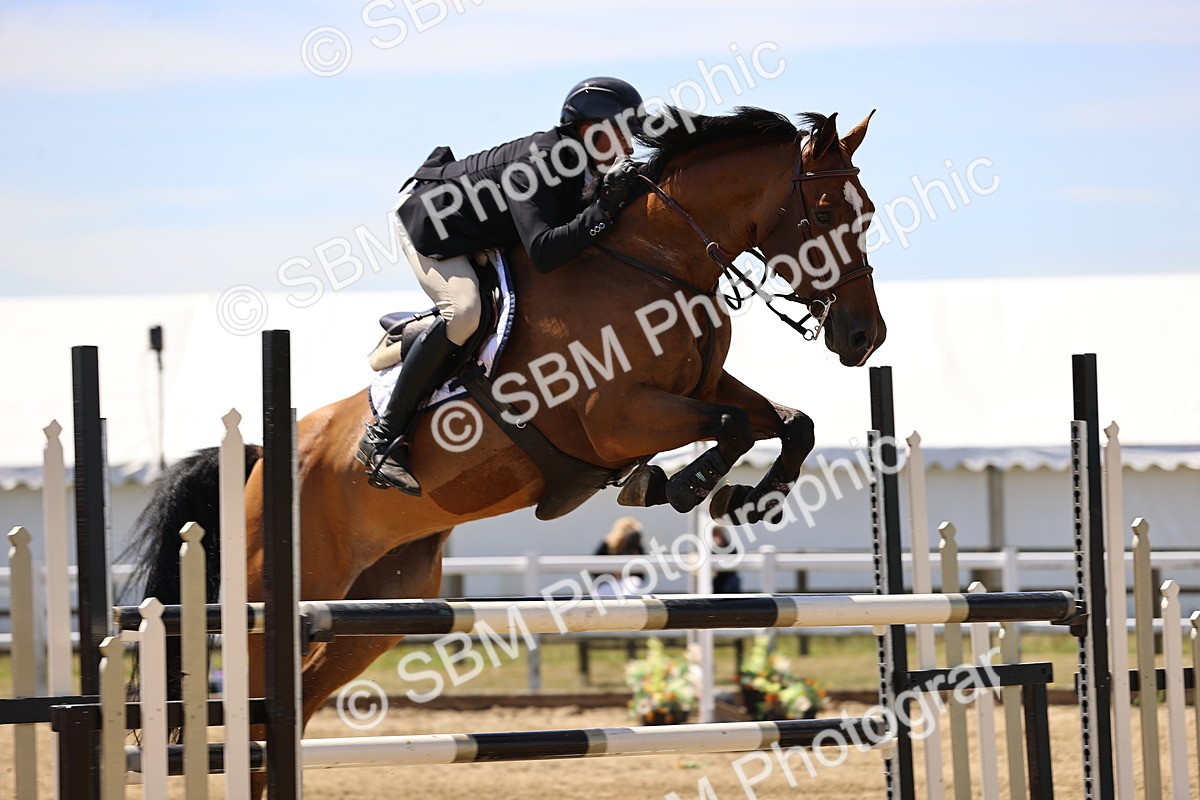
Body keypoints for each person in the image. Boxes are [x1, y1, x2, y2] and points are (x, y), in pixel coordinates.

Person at [358, 76, 647, 494]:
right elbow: (545, 251)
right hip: (432, 226)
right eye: (621, 137)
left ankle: (423, 337)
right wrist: (605, 206)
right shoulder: (539, 164)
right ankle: (384, 436)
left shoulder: (582, 162)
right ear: (590, 132)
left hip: (487, 232)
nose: (629, 149)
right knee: (465, 311)